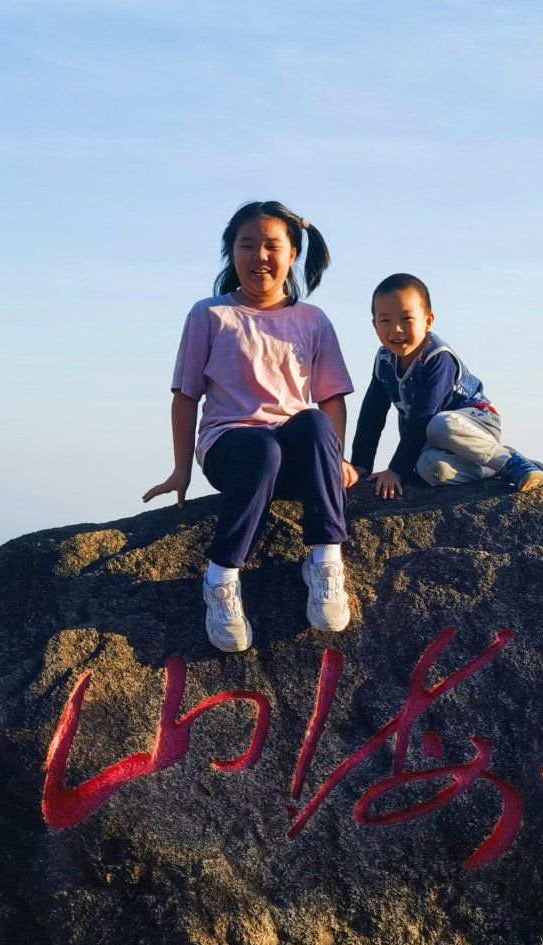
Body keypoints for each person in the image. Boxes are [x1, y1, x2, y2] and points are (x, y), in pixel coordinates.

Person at [147, 199, 358, 654]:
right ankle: (220, 577)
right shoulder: (210, 315)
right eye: (247, 245)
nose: (259, 256)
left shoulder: (312, 320)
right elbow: (186, 397)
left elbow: (331, 399)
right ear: (231, 253)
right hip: (234, 448)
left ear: (293, 254)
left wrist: (335, 460)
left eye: (271, 246)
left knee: (316, 424)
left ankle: (324, 560)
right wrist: (181, 470)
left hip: (293, 451)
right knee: (264, 449)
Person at [350, 274, 543, 501]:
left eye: (406, 319)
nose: (396, 329)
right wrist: (360, 466)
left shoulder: (437, 358)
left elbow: (423, 417)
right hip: (433, 441)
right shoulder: (384, 360)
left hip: (473, 425)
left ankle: (511, 461)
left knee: (440, 424)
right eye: (385, 320)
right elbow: (371, 416)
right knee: (430, 469)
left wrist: (395, 470)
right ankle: (492, 469)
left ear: (428, 320)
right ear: (374, 324)